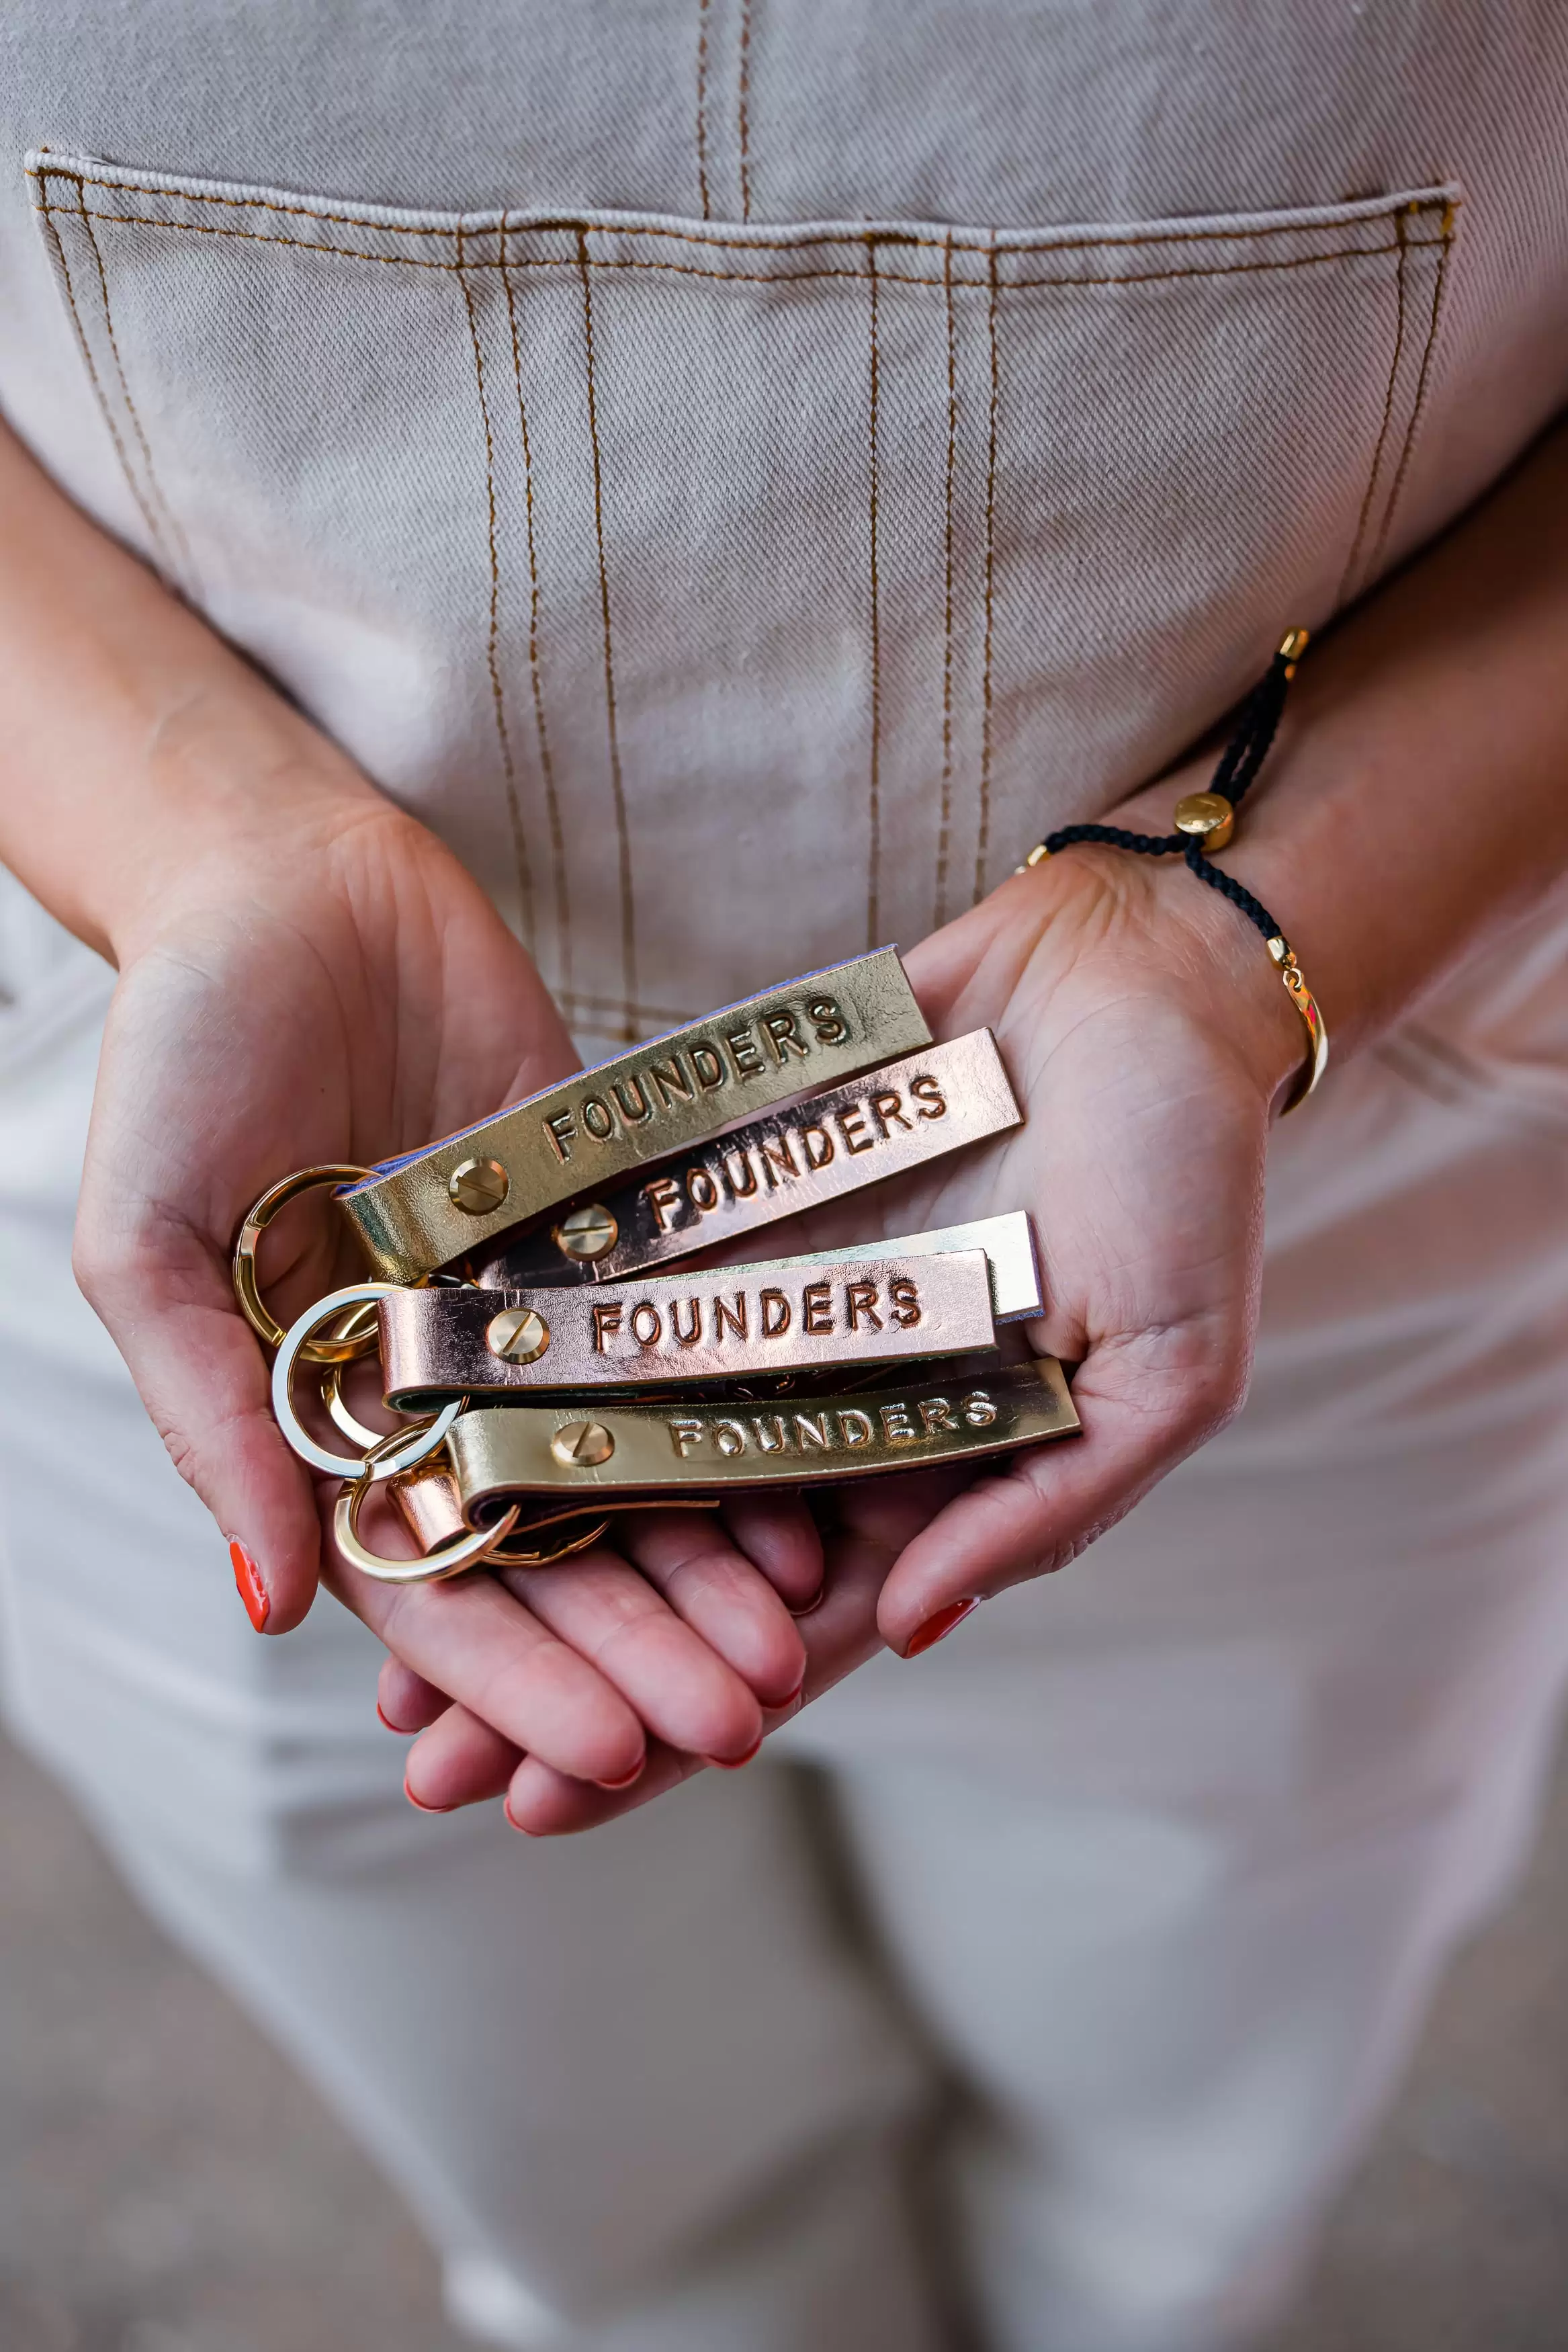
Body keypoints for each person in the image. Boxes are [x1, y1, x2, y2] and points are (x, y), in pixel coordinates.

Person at [2, 5, 1567, 2345]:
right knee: (617, 2215)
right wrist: (199, 839)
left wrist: (1245, 937)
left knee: (1190, 2160)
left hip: (1330, 1158)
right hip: (204, 1176)